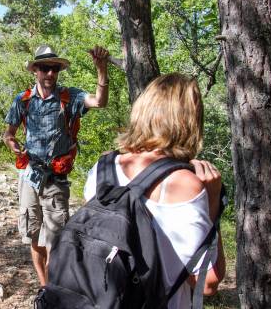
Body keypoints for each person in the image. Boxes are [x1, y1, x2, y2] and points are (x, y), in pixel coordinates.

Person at [83, 73, 226, 308]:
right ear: (189, 120)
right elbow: (207, 282)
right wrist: (212, 202)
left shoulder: (103, 168)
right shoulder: (183, 184)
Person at [3, 44, 110, 286]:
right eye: (44, 68)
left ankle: (54, 287)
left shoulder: (70, 97)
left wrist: (101, 70)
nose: (50, 73)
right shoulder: (23, 100)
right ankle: (45, 288)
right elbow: (8, 132)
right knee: (33, 235)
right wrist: (12, 143)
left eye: (54, 69)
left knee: (55, 239)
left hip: (56, 181)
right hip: (30, 176)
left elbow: (100, 101)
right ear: (35, 71)